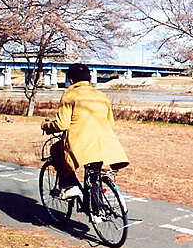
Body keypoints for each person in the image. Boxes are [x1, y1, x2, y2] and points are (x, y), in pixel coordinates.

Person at [41, 63, 129, 199]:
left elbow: (62, 124)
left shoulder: (69, 95)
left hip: (81, 143)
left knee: (55, 149)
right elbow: (110, 123)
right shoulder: (101, 96)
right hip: (104, 144)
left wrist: (47, 126)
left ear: (71, 80)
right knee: (94, 174)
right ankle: (97, 207)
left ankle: (70, 186)